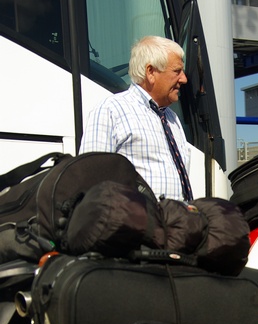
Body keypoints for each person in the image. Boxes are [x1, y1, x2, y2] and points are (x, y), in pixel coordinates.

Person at [79, 35, 192, 200]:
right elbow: (90, 180)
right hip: (137, 223)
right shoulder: (111, 110)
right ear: (151, 72)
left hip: (177, 221)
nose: (184, 79)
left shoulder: (172, 118)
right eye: (177, 71)